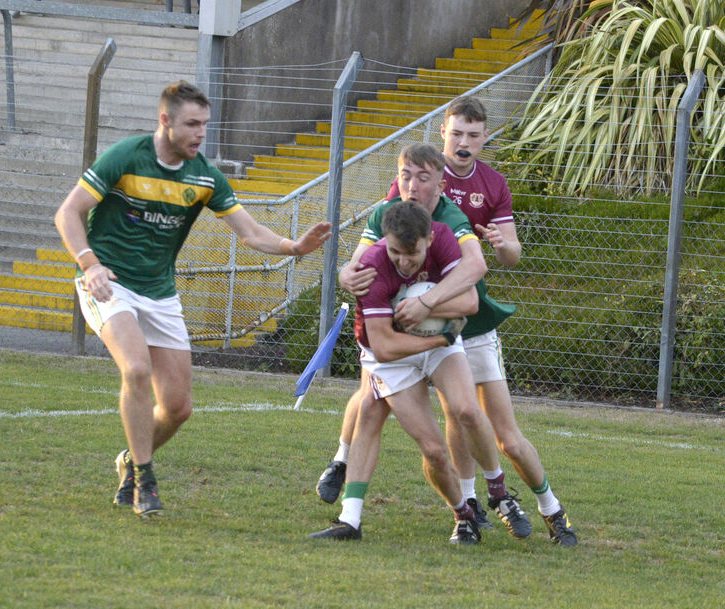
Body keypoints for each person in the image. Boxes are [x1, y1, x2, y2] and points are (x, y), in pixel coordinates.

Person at [54, 80, 331, 518]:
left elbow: (251, 232)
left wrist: (293, 247)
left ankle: (129, 458)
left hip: (159, 291)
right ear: (165, 121)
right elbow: (68, 212)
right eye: (192, 124)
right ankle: (145, 479)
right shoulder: (126, 157)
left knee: (179, 408)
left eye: (205, 124)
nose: (201, 134)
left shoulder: (204, 176)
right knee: (137, 367)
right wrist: (89, 264)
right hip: (109, 282)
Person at [317, 98, 577, 546]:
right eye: (457, 133)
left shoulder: (471, 201)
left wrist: (432, 305)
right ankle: (362, 491)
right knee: (375, 405)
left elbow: (482, 274)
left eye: (473, 135)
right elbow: (362, 264)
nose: (464, 142)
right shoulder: (394, 207)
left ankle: (534, 504)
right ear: (443, 134)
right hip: (412, 331)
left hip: (460, 326)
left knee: (487, 426)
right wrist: (347, 273)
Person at [309, 200, 482, 544]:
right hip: (392, 353)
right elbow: (386, 348)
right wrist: (438, 339)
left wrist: (426, 305)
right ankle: (464, 514)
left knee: (467, 410)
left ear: (428, 240)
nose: (403, 262)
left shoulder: (444, 238)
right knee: (431, 448)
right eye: (395, 252)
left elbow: (471, 303)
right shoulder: (372, 266)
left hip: (438, 340)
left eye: (412, 254)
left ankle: (496, 488)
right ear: (384, 240)